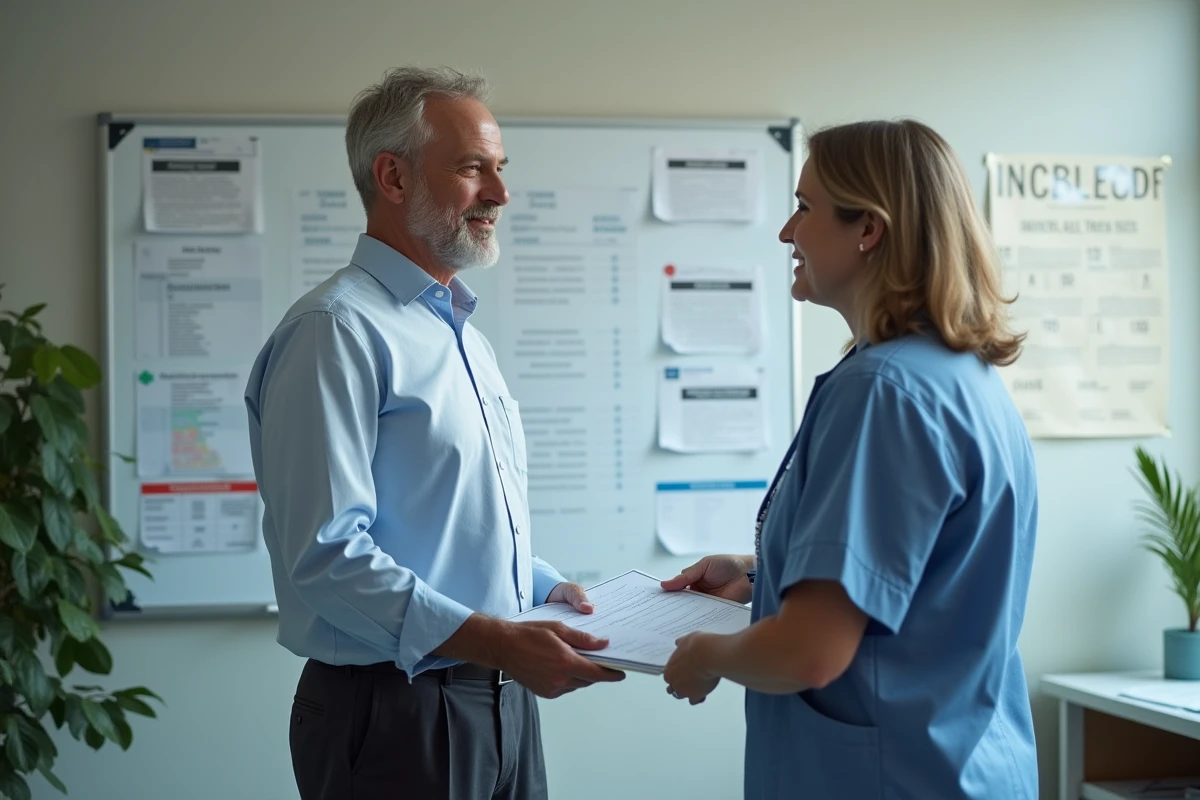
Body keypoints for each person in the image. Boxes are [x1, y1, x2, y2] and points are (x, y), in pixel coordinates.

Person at [244, 66, 623, 800]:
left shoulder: (458, 333)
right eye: (473, 169)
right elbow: (325, 555)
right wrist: (494, 639)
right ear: (392, 176)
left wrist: (542, 589)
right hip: (396, 712)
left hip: (502, 699)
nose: (501, 195)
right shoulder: (336, 331)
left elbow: (448, 519)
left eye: (500, 170)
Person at [659, 120, 1039, 799]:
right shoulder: (959, 376)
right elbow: (920, 575)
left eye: (804, 208)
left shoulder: (883, 392)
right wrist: (762, 572)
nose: (787, 233)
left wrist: (706, 657)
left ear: (869, 228)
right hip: (968, 767)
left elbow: (810, 651)